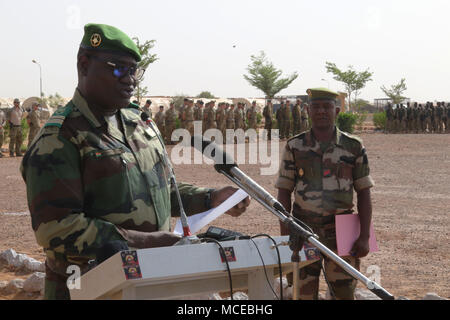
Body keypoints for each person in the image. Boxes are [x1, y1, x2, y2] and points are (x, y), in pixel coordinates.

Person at [20, 23, 250, 300]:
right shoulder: (60, 138)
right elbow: (55, 229)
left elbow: (160, 190)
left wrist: (211, 198)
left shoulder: (138, 122)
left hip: (148, 282)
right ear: (84, 64)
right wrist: (142, 242)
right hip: (90, 289)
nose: (129, 79)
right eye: (118, 68)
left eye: (134, 71)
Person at [276, 88, 374, 300]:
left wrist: (364, 236)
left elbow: (364, 193)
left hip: (343, 230)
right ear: (308, 111)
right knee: (302, 294)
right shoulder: (295, 146)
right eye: (316, 107)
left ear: (336, 111)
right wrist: (286, 235)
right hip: (302, 230)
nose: (321, 111)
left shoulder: (353, 146)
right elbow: (283, 192)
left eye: (327, 107)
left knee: (344, 294)